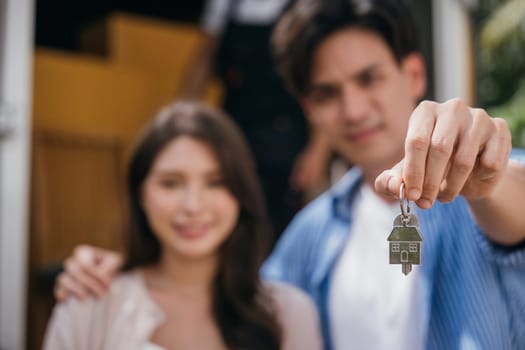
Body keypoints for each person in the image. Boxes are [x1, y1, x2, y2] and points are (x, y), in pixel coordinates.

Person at [54, 1, 525, 349]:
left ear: (415, 74)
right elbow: (237, 297)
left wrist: (486, 178)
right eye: (327, 93)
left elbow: (513, 204)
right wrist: (122, 273)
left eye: (368, 78)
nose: (354, 109)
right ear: (309, 109)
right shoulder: (309, 235)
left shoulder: (488, 178)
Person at [43, 101, 322, 350]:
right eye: (171, 183)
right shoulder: (91, 303)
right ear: (141, 194)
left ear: (241, 193)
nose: (193, 206)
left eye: (215, 182)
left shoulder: (287, 314)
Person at [180, 0, 332, 236]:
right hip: (233, 130)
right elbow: (202, 60)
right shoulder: (225, 5)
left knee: (279, 224)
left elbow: (322, 77)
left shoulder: (306, 6)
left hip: (287, 138)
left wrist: (319, 149)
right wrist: (181, 124)